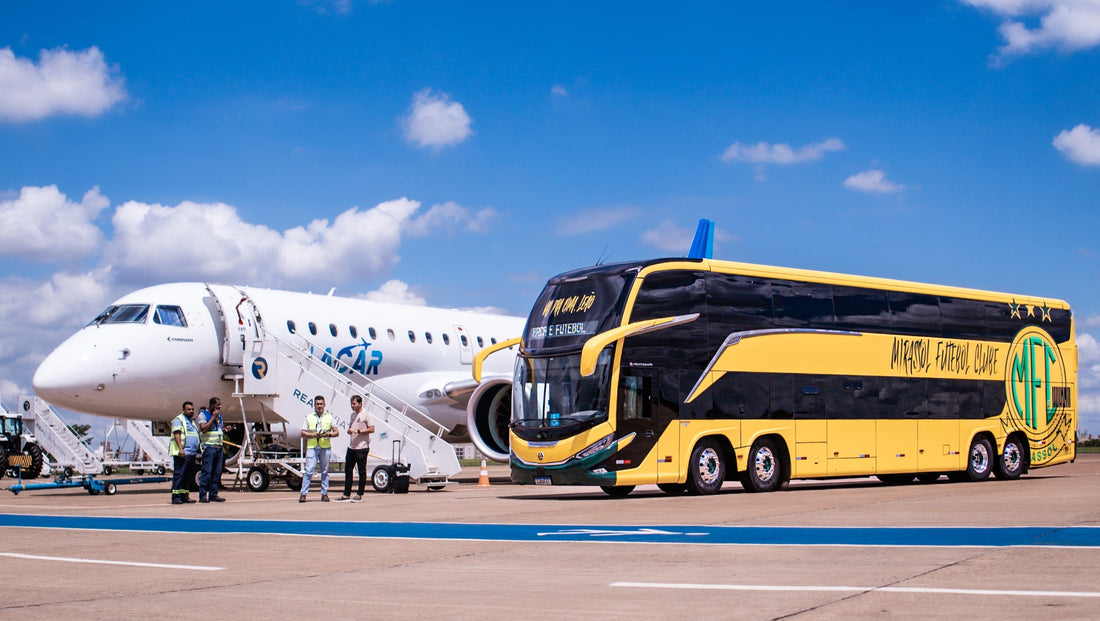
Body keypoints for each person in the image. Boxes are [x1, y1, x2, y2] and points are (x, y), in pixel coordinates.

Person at [300, 395, 338, 503]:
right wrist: (313, 435)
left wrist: (328, 434)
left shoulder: (329, 417)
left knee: (325, 471)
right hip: (312, 447)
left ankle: (324, 493)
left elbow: (336, 432)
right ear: (314, 405)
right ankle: (303, 493)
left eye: (321, 404)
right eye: (317, 404)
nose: (319, 406)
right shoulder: (309, 417)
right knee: (309, 470)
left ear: (324, 405)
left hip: (325, 447)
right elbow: (302, 432)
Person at [338, 395, 374, 502]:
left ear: (360, 403)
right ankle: (346, 494)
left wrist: (358, 432)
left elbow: (372, 429)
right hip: (352, 447)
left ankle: (359, 494)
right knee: (348, 470)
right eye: (351, 404)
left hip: (362, 447)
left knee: (361, 471)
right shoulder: (353, 415)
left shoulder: (366, 415)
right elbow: (352, 427)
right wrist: (350, 431)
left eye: (354, 404)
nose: (352, 406)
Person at [169, 401, 200, 504]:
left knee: (188, 475)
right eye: (189, 409)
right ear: (183, 410)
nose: (191, 411)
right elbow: (177, 434)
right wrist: (181, 449)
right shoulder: (179, 420)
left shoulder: (191, 422)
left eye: (192, 409)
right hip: (183, 453)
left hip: (191, 453)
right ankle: (176, 496)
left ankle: (184, 495)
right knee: (180, 474)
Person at [198, 397, 226, 503]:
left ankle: (213, 494)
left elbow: (217, 429)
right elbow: (204, 429)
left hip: (218, 447)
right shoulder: (203, 415)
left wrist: (224, 429)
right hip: (209, 447)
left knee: (217, 472)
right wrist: (213, 417)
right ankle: (203, 495)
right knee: (207, 471)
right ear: (212, 405)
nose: (219, 407)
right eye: (217, 405)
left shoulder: (220, 416)